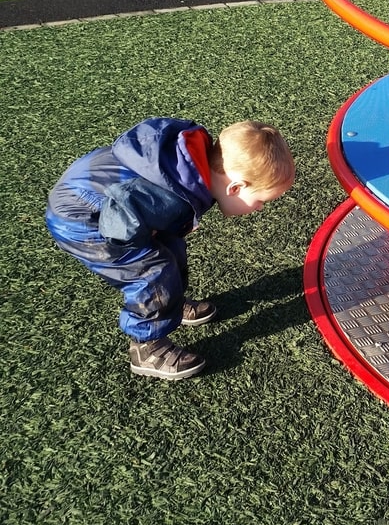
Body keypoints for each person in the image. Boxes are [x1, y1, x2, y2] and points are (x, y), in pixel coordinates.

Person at [46, 117, 294, 381]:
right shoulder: (169, 194)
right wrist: (148, 235)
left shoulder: (195, 169)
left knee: (171, 247)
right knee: (151, 272)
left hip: (111, 201)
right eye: (260, 201)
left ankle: (171, 303)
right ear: (235, 187)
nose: (259, 209)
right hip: (83, 217)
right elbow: (119, 228)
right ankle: (146, 348)